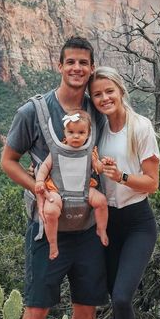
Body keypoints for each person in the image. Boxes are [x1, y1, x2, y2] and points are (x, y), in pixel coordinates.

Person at [1, 37, 108, 319]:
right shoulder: (33, 112)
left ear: (91, 68)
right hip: (46, 229)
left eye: (84, 63)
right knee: (36, 306)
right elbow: (8, 161)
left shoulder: (99, 112)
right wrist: (38, 188)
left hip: (89, 229)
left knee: (87, 304)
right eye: (71, 62)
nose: (77, 69)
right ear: (59, 66)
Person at [88, 66, 160, 319]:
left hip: (137, 224)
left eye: (109, 91)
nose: (104, 98)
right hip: (106, 223)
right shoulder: (96, 129)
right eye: (97, 94)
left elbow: (153, 183)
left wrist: (121, 177)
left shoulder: (140, 127)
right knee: (103, 298)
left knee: (121, 298)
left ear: (120, 90)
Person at [35, 109, 109, 259]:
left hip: (84, 189)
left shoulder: (90, 151)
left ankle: (101, 229)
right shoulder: (57, 149)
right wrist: (40, 181)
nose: (76, 136)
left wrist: (104, 164)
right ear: (65, 132)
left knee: (101, 201)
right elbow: (44, 167)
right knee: (50, 211)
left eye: (81, 132)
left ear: (88, 133)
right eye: (71, 132)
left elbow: (98, 169)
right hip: (57, 189)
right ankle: (53, 244)